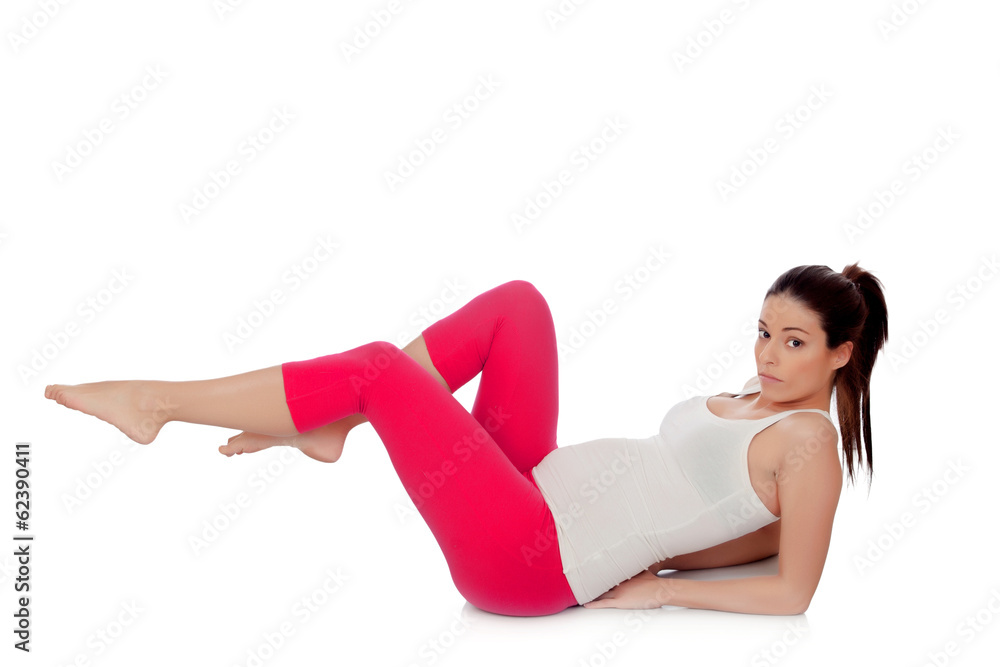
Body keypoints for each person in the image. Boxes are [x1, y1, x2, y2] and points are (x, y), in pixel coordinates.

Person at [43, 263, 888, 617]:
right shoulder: (759, 400)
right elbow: (731, 525)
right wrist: (675, 556)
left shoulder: (809, 444)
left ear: (842, 353)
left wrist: (660, 590)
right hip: (536, 487)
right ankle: (334, 422)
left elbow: (792, 590)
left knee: (378, 367)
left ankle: (160, 402)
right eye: (764, 332)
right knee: (520, 303)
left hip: (532, 558)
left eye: (795, 342)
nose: (768, 354)